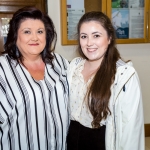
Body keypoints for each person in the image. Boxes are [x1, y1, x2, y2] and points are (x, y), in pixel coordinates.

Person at [67, 11, 145, 150]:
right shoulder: (74, 68)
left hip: (101, 143)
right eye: (84, 36)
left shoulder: (123, 76)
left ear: (109, 38)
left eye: (96, 35)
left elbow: (131, 131)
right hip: (71, 141)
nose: (89, 43)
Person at [0, 6, 69, 150]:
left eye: (40, 31)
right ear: (15, 36)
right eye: (27, 32)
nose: (35, 37)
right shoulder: (2, 69)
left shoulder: (60, 63)